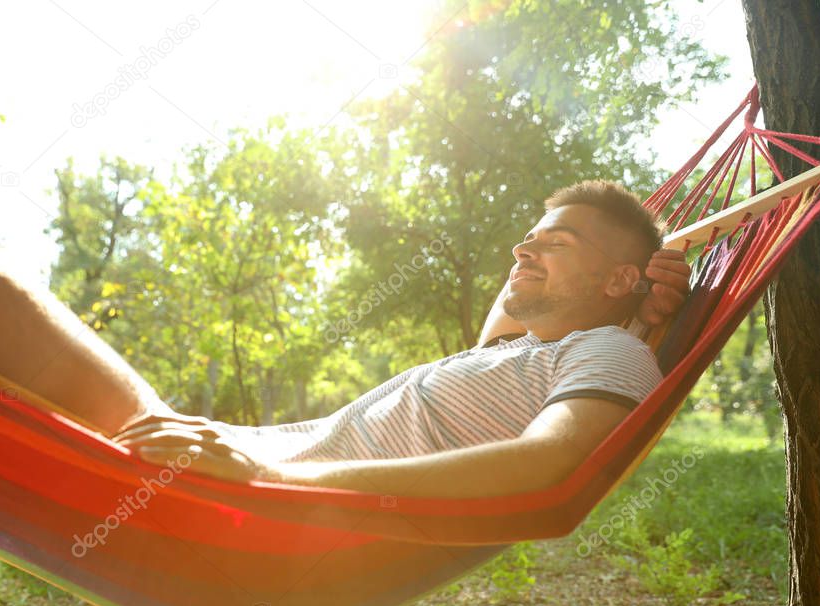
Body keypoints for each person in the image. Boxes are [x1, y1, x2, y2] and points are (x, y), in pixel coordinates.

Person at [114, 180, 692, 498]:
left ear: (620, 278)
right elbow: (513, 300)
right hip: (236, 448)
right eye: (525, 240)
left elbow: (544, 462)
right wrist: (628, 291)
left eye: (556, 243)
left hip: (262, 486)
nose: (521, 251)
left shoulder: (609, 352)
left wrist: (265, 479)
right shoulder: (514, 350)